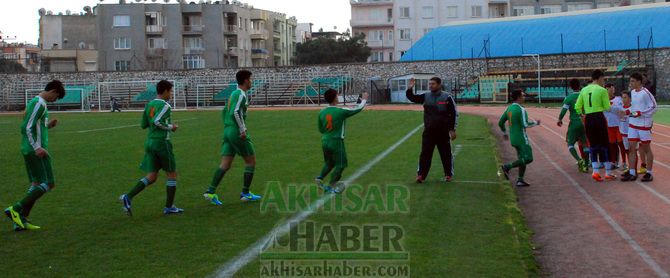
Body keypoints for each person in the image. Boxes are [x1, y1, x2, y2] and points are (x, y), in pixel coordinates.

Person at [4, 80, 65, 231]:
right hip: (35, 150)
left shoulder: (36, 102)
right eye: (56, 97)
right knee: (48, 183)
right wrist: (37, 147)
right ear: (53, 91)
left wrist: (48, 125)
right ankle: (15, 209)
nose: (55, 100)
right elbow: (26, 127)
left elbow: (34, 125)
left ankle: (21, 221)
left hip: (30, 148)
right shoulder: (40, 103)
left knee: (37, 184)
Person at [120, 80, 183, 216]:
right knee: (172, 174)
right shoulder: (165, 105)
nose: (171, 94)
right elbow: (156, 121)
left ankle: (128, 197)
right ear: (165, 91)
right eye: (170, 91)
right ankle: (169, 207)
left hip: (150, 142)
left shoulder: (149, 104)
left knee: (152, 176)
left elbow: (144, 124)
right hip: (162, 143)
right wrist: (171, 127)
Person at [203, 70, 262, 205]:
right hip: (236, 131)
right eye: (250, 79)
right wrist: (242, 129)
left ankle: (210, 191)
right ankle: (245, 193)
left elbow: (225, 112)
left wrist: (228, 127)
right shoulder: (241, 94)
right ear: (246, 80)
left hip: (228, 130)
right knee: (250, 161)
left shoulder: (233, 94)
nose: (251, 81)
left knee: (225, 163)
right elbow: (235, 111)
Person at [406, 77, 458, 183]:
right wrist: (410, 88)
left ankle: (448, 174)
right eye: (430, 84)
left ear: (439, 84)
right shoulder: (426, 96)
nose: (430, 86)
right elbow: (412, 98)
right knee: (425, 154)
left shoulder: (447, 97)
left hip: (443, 132)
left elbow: (453, 114)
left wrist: (452, 129)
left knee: (446, 154)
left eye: (433, 84)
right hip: (429, 132)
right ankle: (421, 175)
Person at [315, 89, 368, 193]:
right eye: (337, 95)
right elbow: (357, 109)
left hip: (325, 141)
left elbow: (321, 130)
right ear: (335, 97)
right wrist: (364, 100)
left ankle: (320, 178)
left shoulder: (321, 112)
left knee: (329, 162)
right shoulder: (340, 111)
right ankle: (332, 185)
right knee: (341, 164)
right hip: (336, 141)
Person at [575, 70, 615, 182]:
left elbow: (577, 106)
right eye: (603, 79)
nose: (604, 81)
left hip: (588, 118)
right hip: (599, 118)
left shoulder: (584, 90)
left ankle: (596, 172)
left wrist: (582, 115)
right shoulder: (602, 90)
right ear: (600, 78)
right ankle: (607, 173)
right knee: (604, 144)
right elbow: (607, 107)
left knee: (592, 144)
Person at [499, 90, 540, 187]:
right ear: (518, 97)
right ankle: (507, 167)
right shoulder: (521, 109)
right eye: (523, 95)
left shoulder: (509, 108)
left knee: (522, 159)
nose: (524, 97)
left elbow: (500, 123)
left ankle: (520, 180)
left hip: (513, 138)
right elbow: (525, 124)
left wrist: (505, 132)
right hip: (521, 138)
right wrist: (535, 123)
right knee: (528, 158)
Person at [621, 73, 657, 182]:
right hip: (633, 124)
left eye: (632, 81)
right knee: (631, 148)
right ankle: (632, 172)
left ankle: (649, 173)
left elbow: (654, 107)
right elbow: (634, 107)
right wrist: (627, 111)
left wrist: (640, 113)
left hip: (643, 125)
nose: (630, 83)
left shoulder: (646, 93)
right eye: (630, 81)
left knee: (646, 149)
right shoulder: (632, 92)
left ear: (639, 82)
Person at [558, 79, 591, 173]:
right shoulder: (584, 95)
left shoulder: (568, 98)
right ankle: (586, 163)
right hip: (584, 122)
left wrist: (559, 119)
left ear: (570, 87)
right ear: (580, 85)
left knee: (570, 143)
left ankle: (579, 160)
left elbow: (563, 111)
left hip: (574, 123)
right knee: (585, 143)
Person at [603, 84, 625, 169]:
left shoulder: (618, 99)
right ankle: (614, 161)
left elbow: (620, 111)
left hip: (619, 125)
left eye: (612, 88)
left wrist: (609, 108)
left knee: (621, 143)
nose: (611, 90)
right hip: (609, 126)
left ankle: (624, 162)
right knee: (611, 144)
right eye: (609, 89)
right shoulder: (602, 100)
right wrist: (612, 109)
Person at [618, 91, 634, 176]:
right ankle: (630, 167)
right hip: (623, 133)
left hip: (632, 133)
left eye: (625, 97)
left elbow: (635, 114)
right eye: (622, 97)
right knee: (627, 150)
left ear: (630, 99)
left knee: (632, 151)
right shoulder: (620, 108)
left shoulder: (633, 108)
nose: (623, 99)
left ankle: (633, 168)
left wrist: (628, 113)